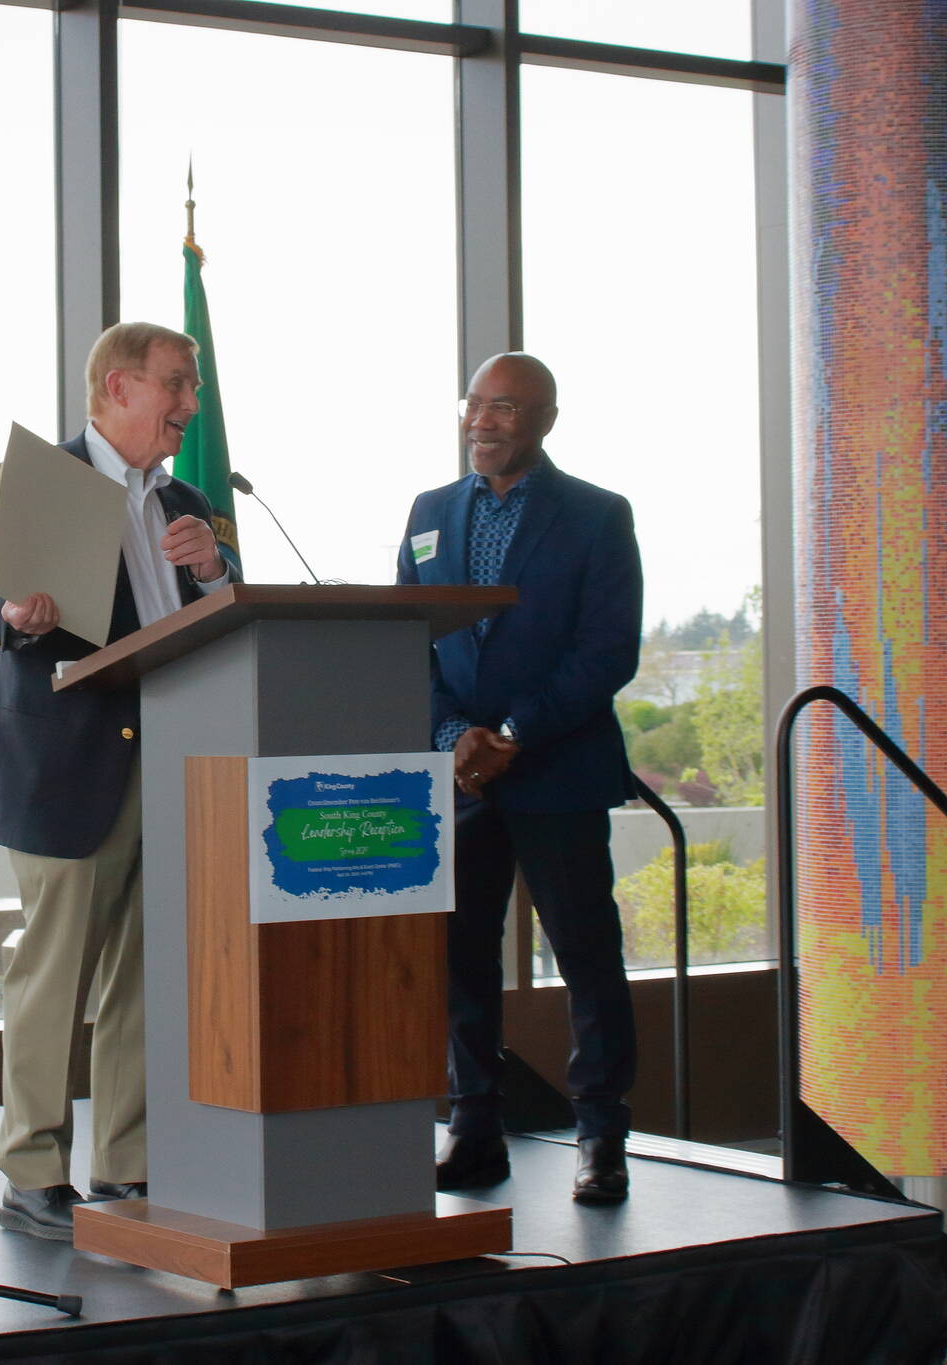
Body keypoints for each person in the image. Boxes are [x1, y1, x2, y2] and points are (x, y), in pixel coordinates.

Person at [0, 321, 236, 1240]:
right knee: (54, 975)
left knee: (148, 976)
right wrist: (15, 615)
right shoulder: (37, 484)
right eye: (177, 387)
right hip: (68, 767)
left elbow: (222, 622)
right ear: (118, 389)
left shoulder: (189, 501)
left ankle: (127, 1166)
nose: (190, 406)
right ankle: (32, 1176)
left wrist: (216, 571)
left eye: (190, 390)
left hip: (178, 761)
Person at [395, 352, 642, 1203]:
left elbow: (609, 650)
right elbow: (405, 636)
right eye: (475, 405)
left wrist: (512, 732)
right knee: (461, 958)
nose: (483, 421)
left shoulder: (598, 516)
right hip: (459, 778)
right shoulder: (429, 512)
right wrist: (453, 733)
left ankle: (602, 1136)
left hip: (559, 770)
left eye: (504, 408)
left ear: (543, 420)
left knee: (585, 955)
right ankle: (473, 1128)